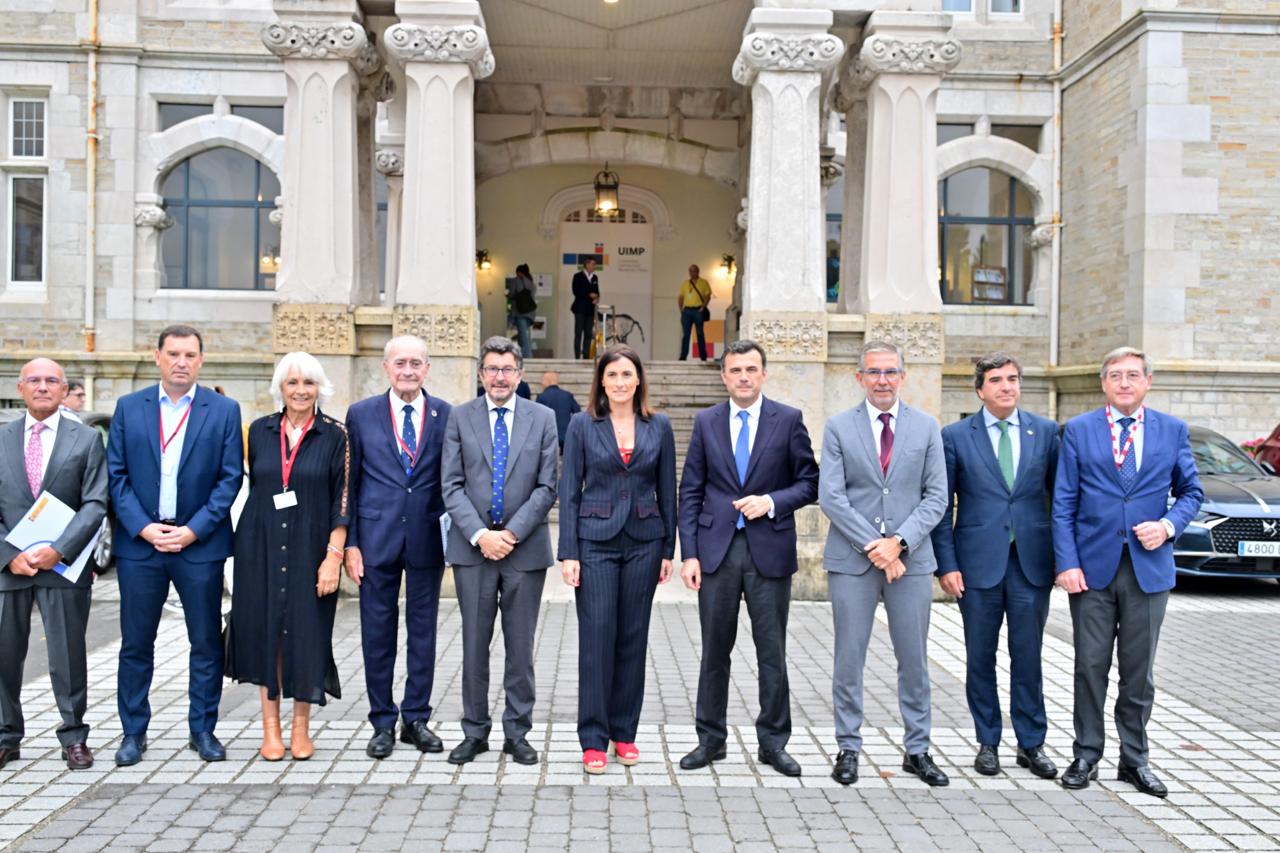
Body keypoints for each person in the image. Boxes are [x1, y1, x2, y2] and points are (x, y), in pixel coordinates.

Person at [1053, 346, 1203, 798]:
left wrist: (1168, 525)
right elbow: (1063, 503)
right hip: (1092, 571)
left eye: (1132, 375)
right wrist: (1067, 563)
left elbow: (1192, 491)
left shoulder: (1172, 431)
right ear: (1103, 383)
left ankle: (1134, 760)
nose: (1124, 382)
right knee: (1089, 666)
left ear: (1147, 382)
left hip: (1148, 570)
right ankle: (1086, 754)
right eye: (1115, 375)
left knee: (1139, 673)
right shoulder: (1078, 431)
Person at [676, 340, 818, 776]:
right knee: (714, 651)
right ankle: (710, 741)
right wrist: (690, 555)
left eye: (751, 369)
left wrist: (771, 502)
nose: (743, 377)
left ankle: (773, 743)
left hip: (768, 552)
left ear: (763, 374)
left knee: (771, 651)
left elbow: (809, 482)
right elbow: (691, 490)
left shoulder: (788, 420)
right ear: (723, 375)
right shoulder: (706, 422)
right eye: (735, 370)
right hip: (717, 552)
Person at [107, 325, 244, 766]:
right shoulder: (130, 408)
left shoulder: (223, 410)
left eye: (189, 354)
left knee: (205, 642)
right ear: (157, 357)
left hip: (198, 545)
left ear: (201, 360)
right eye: (173, 354)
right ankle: (133, 733)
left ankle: (202, 730)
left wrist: (194, 529)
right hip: (141, 546)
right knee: (135, 644)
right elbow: (117, 477)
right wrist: (144, 528)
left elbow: (230, 479)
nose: (181, 362)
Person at [818, 340, 949, 787]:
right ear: (859, 378)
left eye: (890, 372)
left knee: (914, 659)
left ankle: (918, 749)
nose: (882, 380)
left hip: (910, 563)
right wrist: (876, 546)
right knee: (848, 658)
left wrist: (899, 543)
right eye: (873, 372)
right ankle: (848, 747)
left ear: (903, 376)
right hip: (852, 562)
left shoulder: (927, 427)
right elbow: (831, 496)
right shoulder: (838, 427)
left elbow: (937, 497)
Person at [930, 353, 1060, 780]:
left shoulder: (1044, 432)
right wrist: (945, 565)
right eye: (997, 380)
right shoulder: (955, 436)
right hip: (976, 566)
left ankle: (1031, 744)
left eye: (1013, 379)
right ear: (980, 389)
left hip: (1030, 564)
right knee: (979, 658)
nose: (1007, 386)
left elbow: (1060, 501)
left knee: (1029, 657)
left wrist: (1063, 560)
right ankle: (988, 741)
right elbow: (940, 507)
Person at [441, 337, 559, 766]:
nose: (499, 377)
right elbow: (450, 485)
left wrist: (509, 534)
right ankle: (474, 732)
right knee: (474, 644)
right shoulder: (459, 417)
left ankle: (517, 732)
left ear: (520, 374)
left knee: (520, 647)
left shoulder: (543, 418)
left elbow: (548, 486)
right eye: (491, 369)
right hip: (473, 551)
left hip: (524, 551)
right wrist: (480, 535)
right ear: (480, 374)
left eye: (507, 369)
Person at [558, 344, 676, 773]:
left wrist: (668, 550)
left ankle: (624, 732)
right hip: (595, 542)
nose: (621, 382)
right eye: (613, 376)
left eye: (628, 375)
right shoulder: (581, 425)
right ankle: (593, 737)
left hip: (645, 540)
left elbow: (668, 489)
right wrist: (568, 552)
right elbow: (569, 489)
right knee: (596, 639)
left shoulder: (658, 425)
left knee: (632, 638)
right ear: (601, 382)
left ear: (639, 379)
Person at [225, 352, 348, 761]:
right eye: (293, 383)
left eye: (308, 383)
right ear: (281, 387)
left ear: (319, 388)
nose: (300, 390)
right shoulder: (258, 431)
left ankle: (301, 730)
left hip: (310, 549)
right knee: (267, 636)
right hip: (258, 546)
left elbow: (343, 500)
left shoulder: (336, 436)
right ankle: (270, 731)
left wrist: (334, 556)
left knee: (306, 636)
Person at [345, 335, 452, 759]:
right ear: (386, 368)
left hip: (427, 538)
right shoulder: (361, 415)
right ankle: (382, 722)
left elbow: (452, 480)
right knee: (377, 633)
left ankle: (417, 718)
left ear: (427, 368)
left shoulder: (447, 415)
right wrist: (351, 542)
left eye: (416, 363)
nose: (408, 370)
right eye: (400, 363)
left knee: (423, 633)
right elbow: (349, 486)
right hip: (375, 539)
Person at [0, 359, 107, 771]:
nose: (42, 387)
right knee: (5, 655)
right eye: (34, 380)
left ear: (64, 390)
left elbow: (96, 501)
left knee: (67, 654)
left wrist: (59, 549)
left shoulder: (85, 439)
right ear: (20, 388)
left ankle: (74, 736)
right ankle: (7, 736)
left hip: (63, 566)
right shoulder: (3, 437)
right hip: (10, 568)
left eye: (51, 381)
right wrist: (10, 556)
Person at [535, 371, 580, 449]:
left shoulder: (541, 397)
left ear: (548, 381)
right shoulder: (567, 395)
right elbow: (578, 411)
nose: (541, 383)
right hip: (566, 435)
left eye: (543, 380)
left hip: (549, 436)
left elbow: (537, 418)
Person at [677, 264, 712, 362]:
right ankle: (683, 356)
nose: (692, 273)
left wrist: (703, 307)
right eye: (690, 271)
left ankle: (703, 356)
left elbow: (707, 296)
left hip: (698, 311)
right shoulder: (685, 283)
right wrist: (681, 309)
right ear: (689, 272)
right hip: (686, 311)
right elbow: (681, 296)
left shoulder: (703, 282)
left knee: (700, 333)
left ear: (698, 271)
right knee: (686, 335)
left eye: (694, 270)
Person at [571, 257, 600, 360]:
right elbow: (576, 291)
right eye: (593, 264)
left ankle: (586, 356)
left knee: (588, 333)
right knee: (578, 333)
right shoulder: (577, 276)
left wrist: (597, 298)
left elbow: (597, 292)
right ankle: (577, 356)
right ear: (587, 265)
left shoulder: (595, 277)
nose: (594, 267)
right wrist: (589, 295)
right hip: (579, 308)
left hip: (590, 309)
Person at [507, 263, 538, 359]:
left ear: (518, 272)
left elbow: (511, 294)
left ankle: (528, 357)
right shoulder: (531, 283)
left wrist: (508, 296)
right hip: (530, 313)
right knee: (522, 334)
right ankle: (522, 356)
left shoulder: (515, 281)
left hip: (520, 312)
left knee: (523, 336)